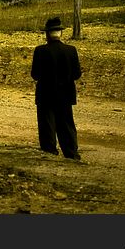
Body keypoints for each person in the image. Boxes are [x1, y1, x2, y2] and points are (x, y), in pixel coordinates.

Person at [31, 17, 82, 160]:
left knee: (47, 123)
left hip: (45, 94)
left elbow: (35, 74)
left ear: (47, 34)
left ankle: (49, 151)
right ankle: (71, 152)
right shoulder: (71, 50)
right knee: (66, 123)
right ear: (61, 33)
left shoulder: (40, 51)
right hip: (65, 94)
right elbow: (77, 74)